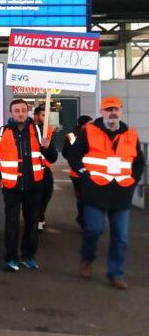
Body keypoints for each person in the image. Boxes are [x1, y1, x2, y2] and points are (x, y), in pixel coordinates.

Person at [67, 97, 145, 289]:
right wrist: (84, 176)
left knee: (121, 236)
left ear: (121, 111)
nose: (113, 113)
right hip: (95, 190)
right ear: (102, 112)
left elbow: (139, 163)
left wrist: (132, 181)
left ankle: (115, 273)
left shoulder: (130, 135)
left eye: (116, 109)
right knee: (93, 230)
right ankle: (87, 258)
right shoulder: (89, 132)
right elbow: (74, 156)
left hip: (121, 192)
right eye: (108, 109)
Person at [0, 99, 57, 272]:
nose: (20, 113)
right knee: (12, 224)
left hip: (34, 186)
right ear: (11, 113)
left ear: (28, 112)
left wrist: (47, 148)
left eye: (23, 110)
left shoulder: (39, 132)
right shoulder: (2, 132)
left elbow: (52, 158)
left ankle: (28, 256)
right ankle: (10, 258)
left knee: (32, 223)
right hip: (11, 187)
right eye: (16, 110)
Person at [62, 115, 93, 228]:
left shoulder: (93, 135)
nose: (92, 125)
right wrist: (74, 160)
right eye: (89, 123)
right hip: (76, 173)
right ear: (83, 125)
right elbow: (65, 153)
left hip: (90, 172)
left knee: (88, 198)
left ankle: (84, 219)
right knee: (81, 198)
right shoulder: (72, 136)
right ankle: (83, 219)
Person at [33, 106, 55, 232]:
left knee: (47, 193)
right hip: (31, 168)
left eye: (47, 116)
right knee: (34, 197)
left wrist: (47, 147)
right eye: (43, 115)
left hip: (45, 167)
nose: (45, 119)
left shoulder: (48, 130)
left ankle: (40, 215)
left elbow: (53, 156)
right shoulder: (29, 129)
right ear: (35, 115)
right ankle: (37, 218)